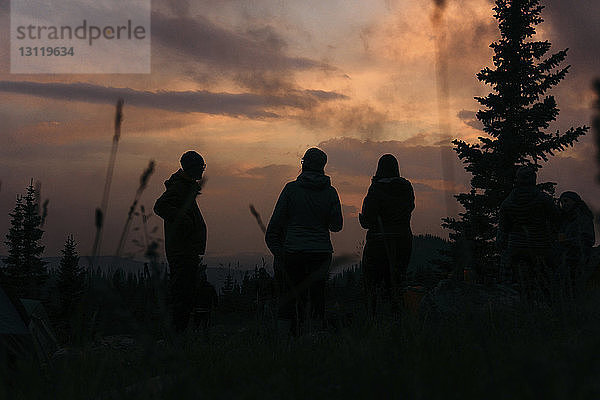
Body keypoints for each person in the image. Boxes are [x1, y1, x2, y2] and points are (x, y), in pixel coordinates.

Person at [265, 148, 343, 335]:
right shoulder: (331, 192)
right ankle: (315, 340)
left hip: (294, 252)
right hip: (321, 252)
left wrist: (280, 253)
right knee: (317, 298)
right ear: (323, 167)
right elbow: (337, 226)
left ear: (303, 164)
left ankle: (286, 342)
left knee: (290, 298)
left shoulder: (290, 189)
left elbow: (274, 227)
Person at [153, 151, 207, 333]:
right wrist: (183, 220)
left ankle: (181, 332)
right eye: (201, 166)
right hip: (181, 252)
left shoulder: (186, 187)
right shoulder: (179, 188)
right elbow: (159, 206)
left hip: (186, 250)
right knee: (182, 293)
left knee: (186, 292)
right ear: (192, 168)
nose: (202, 170)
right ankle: (178, 333)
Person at [358, 154, 415, 317]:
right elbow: (410, 208)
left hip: (378, 242)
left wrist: (363, 219)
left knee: (372, 285)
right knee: (397, 283)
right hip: (403, 241)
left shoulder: (376, 189)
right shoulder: (407, 187)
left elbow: (368, 219)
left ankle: (372, 320)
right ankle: (397, 320)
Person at [497, 166, 559, 303]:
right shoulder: (543, 199)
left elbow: (504, 228)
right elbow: (557, 219)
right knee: (545, 281)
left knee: (516, 283)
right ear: (533, 179)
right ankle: (546, 308)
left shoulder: (507, 202)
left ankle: (519, 307)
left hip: (515, 248)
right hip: (540, 246)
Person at [557, 191, 595, 294]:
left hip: (579, 260)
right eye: (562, 202)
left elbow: (588, 240)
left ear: (575, 202)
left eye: (566, 201)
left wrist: (567, 242)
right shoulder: (565, 219)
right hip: (566, 259)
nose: (564, 204)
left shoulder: (583, 218)